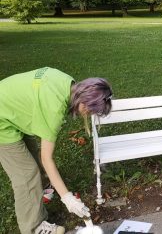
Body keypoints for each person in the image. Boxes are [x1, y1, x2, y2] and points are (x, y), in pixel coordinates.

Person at [0, 67, 113, 234]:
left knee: (34, 163)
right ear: (84, 101)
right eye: (90, 111)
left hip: (12, 109)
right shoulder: (54, 109)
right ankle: (33, 227)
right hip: (3, 121)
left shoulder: (67, 82)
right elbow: (47, 158)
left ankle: (38, 197)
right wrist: (68, 199)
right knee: (26, 174)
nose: (88, 115)